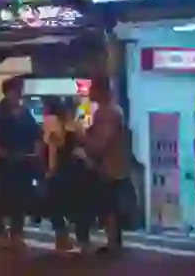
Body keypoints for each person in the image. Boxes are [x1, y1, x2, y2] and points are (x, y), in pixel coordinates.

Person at [0, 77, 40, 248]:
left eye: (19, 91)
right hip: (2, 160)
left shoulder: (25, 112)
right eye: (14, 91)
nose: (17, 95)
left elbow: (35, 134)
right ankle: (0, 232)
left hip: (22, 160)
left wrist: (35, 153)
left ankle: (16, 233)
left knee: (20, 197)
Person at [82, 75, 129, 255]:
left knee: (109, 203)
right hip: (111, 166)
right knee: (109, 204)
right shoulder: (110, 111)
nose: (89, 92)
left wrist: (84, 139)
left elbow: (103, 141)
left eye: (92, 89)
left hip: (108, 166)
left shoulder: (107, 112)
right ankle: (112, 240)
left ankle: (113, 241)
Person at [44, 99, 90, 252]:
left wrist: (50, 170)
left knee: (58, 204)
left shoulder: (59, 129)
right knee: (76, 205)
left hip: (67, 170)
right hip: (73, 170)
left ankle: (63, 238)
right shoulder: (74, 127)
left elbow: (53, 151)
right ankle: (76, 239)